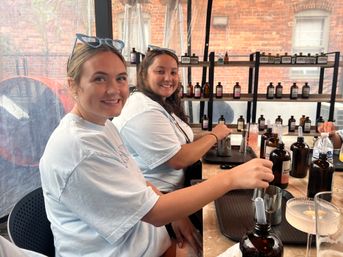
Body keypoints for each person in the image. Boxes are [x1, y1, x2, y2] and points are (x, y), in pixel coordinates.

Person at [39, 34, 274, 257]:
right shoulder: (79, 149)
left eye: (120, 78)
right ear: (72, 85)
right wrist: (230, 178)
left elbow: (137, 180)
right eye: (99, 78)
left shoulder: (100, 125)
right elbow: (155, 211)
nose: (113, 89)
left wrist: (175, 216)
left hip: (148, 239)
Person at [112, 48, 232, 193]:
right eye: (160, 71)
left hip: (174, 188)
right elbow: (177, 159)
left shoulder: (157, 102)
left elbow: (180, 138)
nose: (168, 78)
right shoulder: (144, 111)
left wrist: (207, 137)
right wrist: (214, 136)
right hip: (156, 195)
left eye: (173, 72)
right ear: (144, 74)